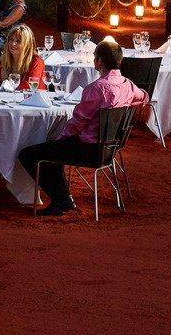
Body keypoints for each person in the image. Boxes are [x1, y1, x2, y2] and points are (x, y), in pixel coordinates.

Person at [16, 37, 148, 216]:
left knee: (29, 154)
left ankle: (61, 199)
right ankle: (62, 198)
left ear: (99, 61)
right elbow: (145, 97)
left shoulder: (96, 88)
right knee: (53, 149)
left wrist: (60, 137)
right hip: (110, 148)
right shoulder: (128, 84)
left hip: (88, 150)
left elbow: (79, 121)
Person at [0, 24, 43, 89]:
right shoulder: (1, 62)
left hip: (31, 98)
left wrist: (8, 87)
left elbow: (31, 86)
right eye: (11, 39)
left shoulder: (36, 61)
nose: (13, 43)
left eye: (18, 41)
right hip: (3, 98)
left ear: (27, 44)